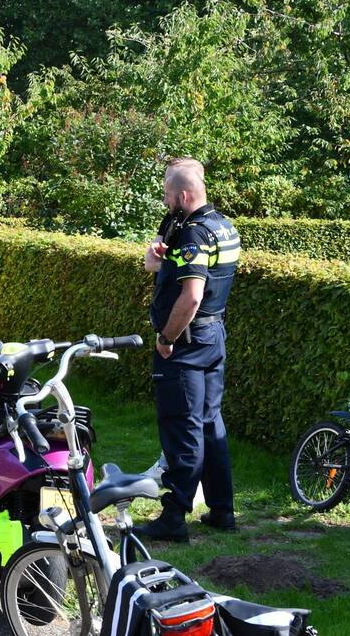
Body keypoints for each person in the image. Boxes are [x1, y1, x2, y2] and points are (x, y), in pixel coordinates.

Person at [135, 157, 240, 541]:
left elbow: (191, 297)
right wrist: (155, 261)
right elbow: (193, 278)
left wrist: (166, 338)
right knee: (211, 423)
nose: (164, 200)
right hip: (214, 337)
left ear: (182, 194)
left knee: (183, 427)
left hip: (188, 341)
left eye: (166, 194)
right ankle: (222, 510)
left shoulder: (194, 234)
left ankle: (174, 516)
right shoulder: (222, 226)